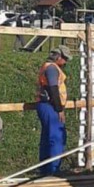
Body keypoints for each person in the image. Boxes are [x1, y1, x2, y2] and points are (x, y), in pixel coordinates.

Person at [37, 45, 71, 175]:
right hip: (50, 106)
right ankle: (53, 170)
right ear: (58, 57)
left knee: (47, 138)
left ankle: (45, 170)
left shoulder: (48, 66)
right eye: (65, 59)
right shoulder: (52, 69)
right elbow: (53, 89)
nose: (65, 62)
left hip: (45, 105)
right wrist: (59, 109)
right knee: (56, 138)